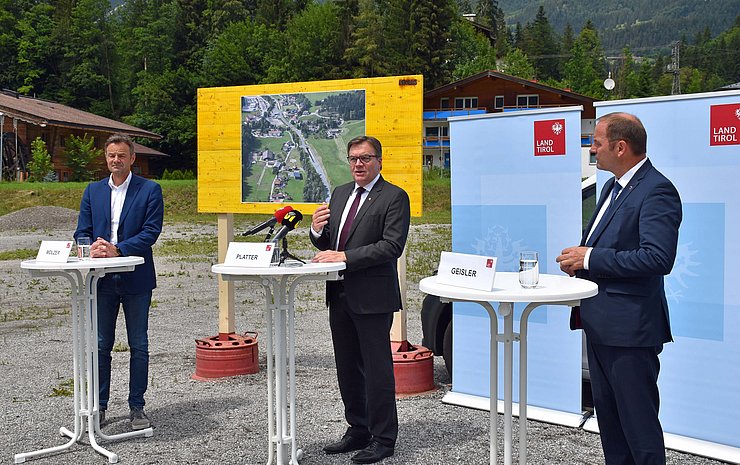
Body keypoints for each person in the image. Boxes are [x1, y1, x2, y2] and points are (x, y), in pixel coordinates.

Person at [556, 113, 682, 465]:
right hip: (600, 327)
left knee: (639, 431)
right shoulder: (611, 186)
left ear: (621, 147)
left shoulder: (657, 189)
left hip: (630, 333)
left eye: (596, 143)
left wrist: (591, 258)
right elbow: (606, 247)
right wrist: (579, 263)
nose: (592, 149)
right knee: (611, 430)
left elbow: (657, 258)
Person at [310, 135, 410, 464]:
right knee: (347, 368)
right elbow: (329, 242)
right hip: (339, 293)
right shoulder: (340, 194)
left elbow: (391, 246)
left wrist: (345, 256)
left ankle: (384, 438)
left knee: (377, 371)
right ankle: (358, 429)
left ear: (379, 161)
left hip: (372, 296)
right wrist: (315, 231)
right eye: (353, 158)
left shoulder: (394, 197)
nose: (358, 164)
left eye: (365, 158)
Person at [74, 133, 164, 430]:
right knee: (101, 345)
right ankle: (99, 407)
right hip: (101, 280)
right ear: (106, 157)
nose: (116, 160)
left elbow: (151, 232)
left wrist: (119, 249)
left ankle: (136, 408)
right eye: (111, 155)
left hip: (136, 278)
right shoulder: (93, 191)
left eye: (121, 156)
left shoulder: (149, 190)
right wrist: (89, 248)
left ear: (132, 158)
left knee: (138, 344)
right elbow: (81, 231)